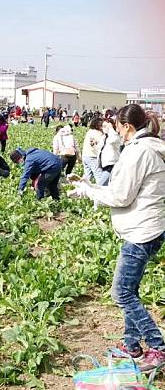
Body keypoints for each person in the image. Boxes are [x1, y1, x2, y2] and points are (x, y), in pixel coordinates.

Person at [68, 105, 165, 371]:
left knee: (121, 292)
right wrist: (90, 187)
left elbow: (122, 196)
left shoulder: (139, 151)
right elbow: (123, 189)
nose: (116, 132)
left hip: (141, 232)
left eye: (117, 127)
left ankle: (158, 347)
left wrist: (90, 192)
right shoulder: (149, 146)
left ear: (127, 127)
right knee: (130, 290)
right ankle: (132, 346)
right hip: (146, 228)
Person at [97, 120, 122, 186]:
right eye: (103, 126)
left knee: (99, 185)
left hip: (111, 166)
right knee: (105, 187)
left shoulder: (115, 136)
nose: (103, 128)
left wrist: (110, 128)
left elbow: (114, 139)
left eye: (105, 126)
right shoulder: (104, 137)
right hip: (103, 166)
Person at [82, 118, 105, 183]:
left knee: (87, 177)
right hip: (93, 156)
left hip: (85, 156)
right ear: (97, 125)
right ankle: (100, 192)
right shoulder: (98, 133)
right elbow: (99, 145)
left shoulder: (90, 131)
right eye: (101, 125)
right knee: (99, 177)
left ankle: (83, 190)